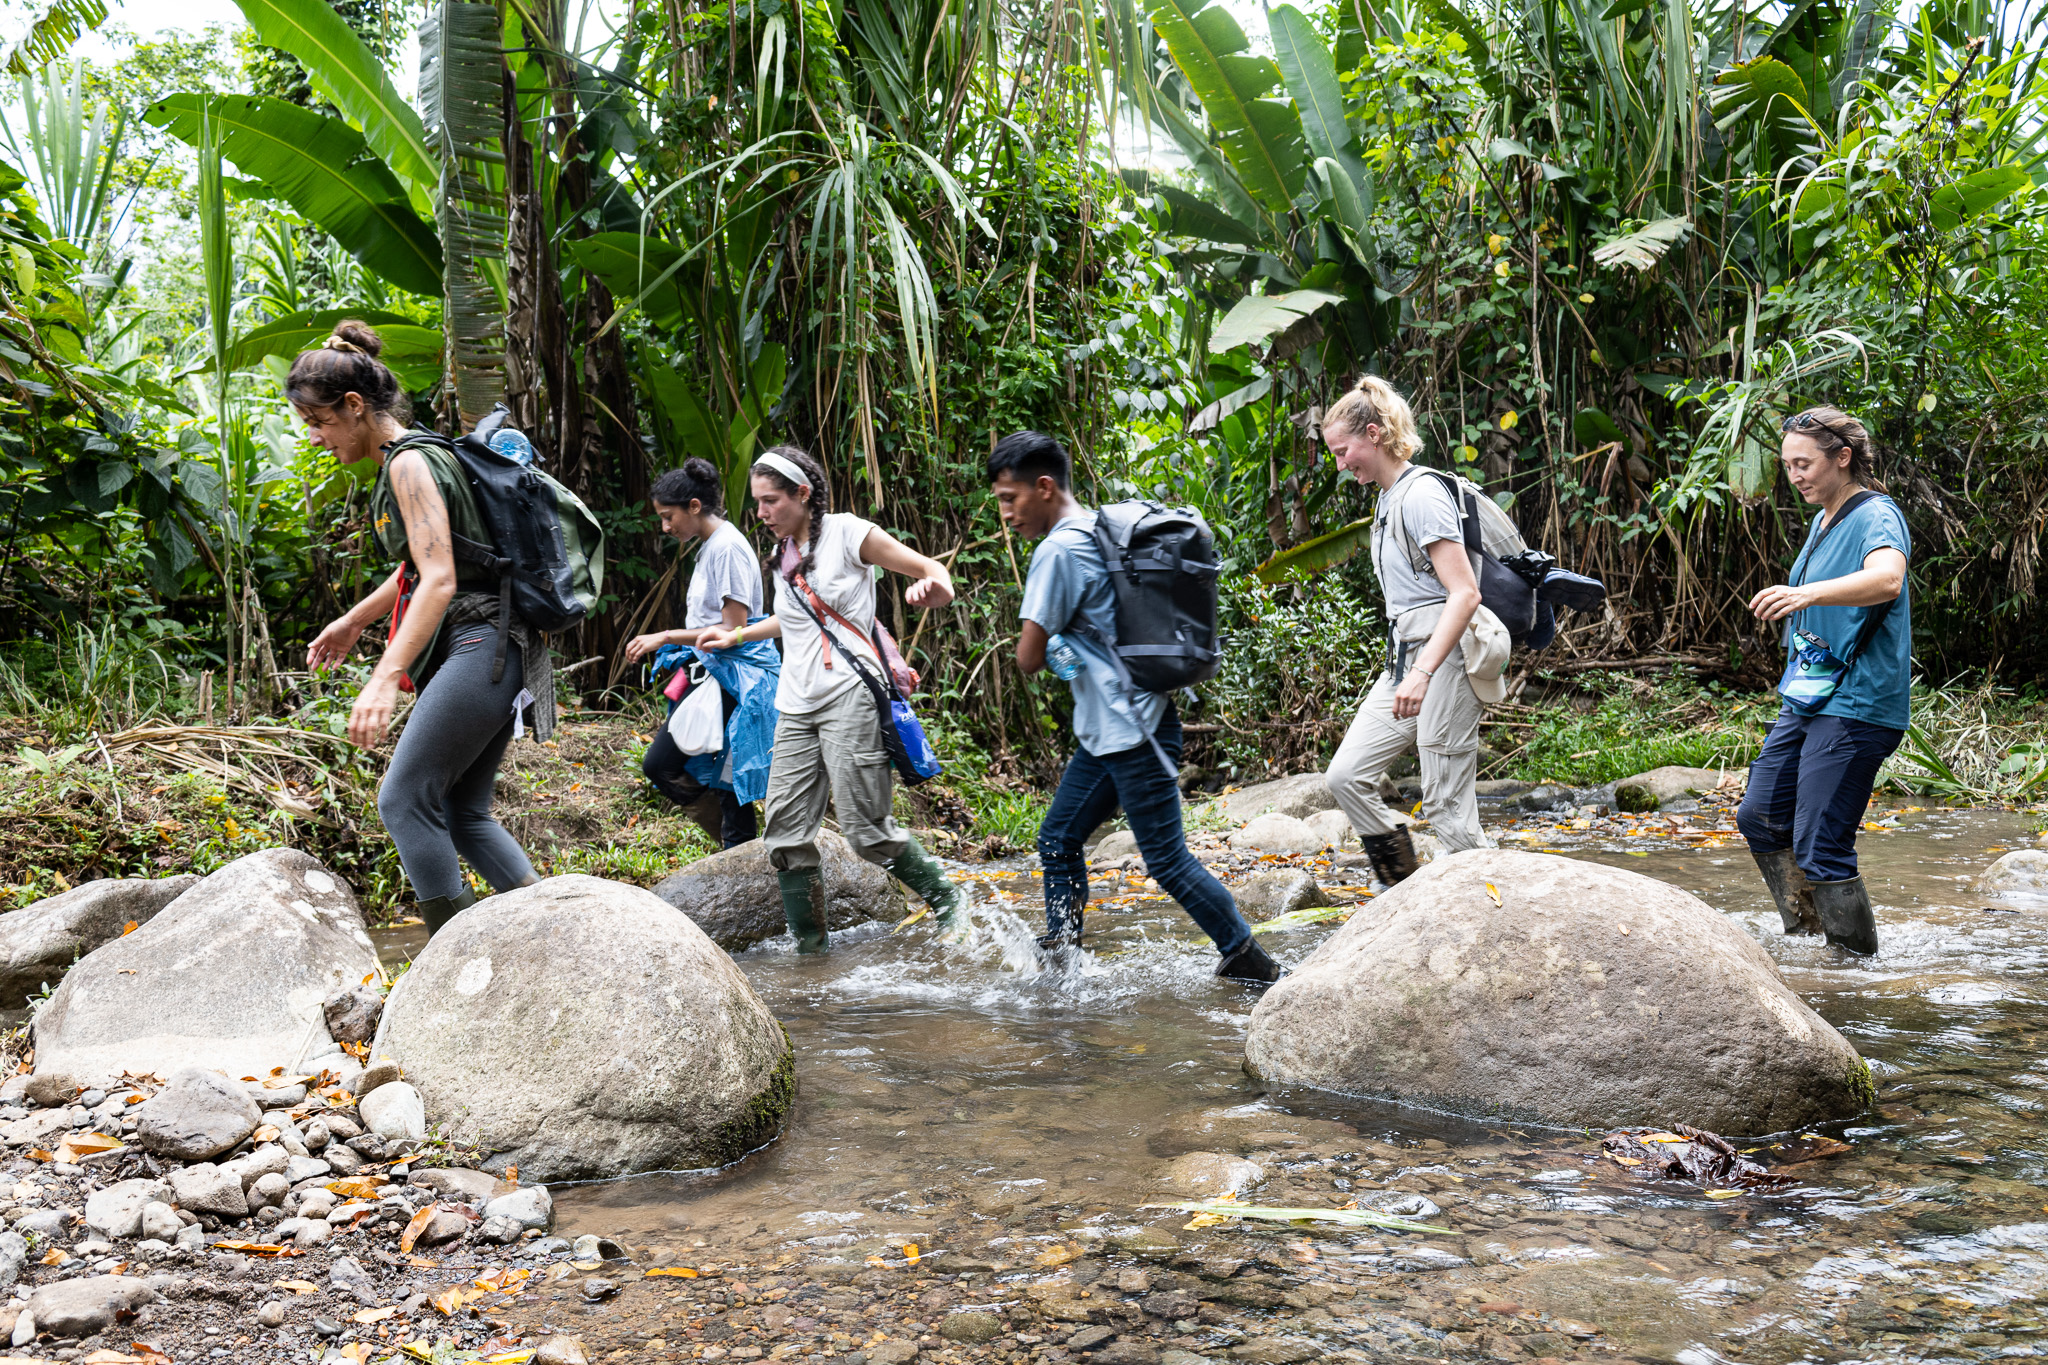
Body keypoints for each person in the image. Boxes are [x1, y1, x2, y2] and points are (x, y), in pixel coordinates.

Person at [989, 431, 1282, 984]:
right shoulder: (1098, 529)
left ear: (1045, 487)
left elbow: (1027, 657)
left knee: (1167, 860)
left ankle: (1252, 963)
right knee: (1058, 839)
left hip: (1133, 733)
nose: (1007, 513)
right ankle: (1061, 962)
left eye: (1011, 498)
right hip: (1114, 730)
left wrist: (1053, 646)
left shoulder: (1057, 550)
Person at [298, 321, 542, 933]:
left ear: (354, 407)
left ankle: (447, 962)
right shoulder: (414, 456)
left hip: (481, 644)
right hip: (495, 644)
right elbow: (423, 564)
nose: (314, 438)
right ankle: (558, 930)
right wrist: (355, 620)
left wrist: (386, 678)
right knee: (462, 811)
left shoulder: (409, 464)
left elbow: (439, 581)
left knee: (403, 799)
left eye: (318, 423)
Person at [696, 445, 969, 951]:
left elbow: (932, 569)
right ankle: (811, 952)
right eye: (757, 502)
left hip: (849, 695)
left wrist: (935, 590)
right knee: (785, 837)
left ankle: (950, 900)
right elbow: (794, 620)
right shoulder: (782, 557)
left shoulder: (848, 532)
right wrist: (737, 636)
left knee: (867, 833)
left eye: (771, 500)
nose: (761, 513)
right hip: (796, 705)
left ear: (803, 493)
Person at [1737, 406, 1910, 955]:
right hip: (1811, 694)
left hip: (1859, 702)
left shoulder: (1876, 515)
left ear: (1843, 457)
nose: (1795, 476)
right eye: (1788, 465)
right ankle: (1810, 938)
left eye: (1805, 463)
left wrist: (1808, 594)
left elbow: (1887, 579)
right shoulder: (1821, 520)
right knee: (1760, 816)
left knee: (1820, 844)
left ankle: (1853, 972)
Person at [1320, 375, 1492, 886]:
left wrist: (1421, 672)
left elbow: (1464, 594)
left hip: (1446, 660)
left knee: (1447, 807)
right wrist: (1410, 671)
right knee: (1346, 776)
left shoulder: (1420, 496)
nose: (1340, 463)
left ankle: (1495, 917)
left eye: (1343, 450)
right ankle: (1401, 884)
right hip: (1407, 661)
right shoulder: (1387, 499)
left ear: (1373, 434)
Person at [625, 460, 767, 848]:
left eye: (667, 517)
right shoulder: (711, 547)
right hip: (709, 670)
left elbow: (733, 628)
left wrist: (665, 636)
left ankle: (738, 850)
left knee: (672, 766)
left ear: (693, 506)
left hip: (731, 673)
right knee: (712, 771)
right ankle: (736, 849)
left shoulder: (727, 548)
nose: (666, 527)